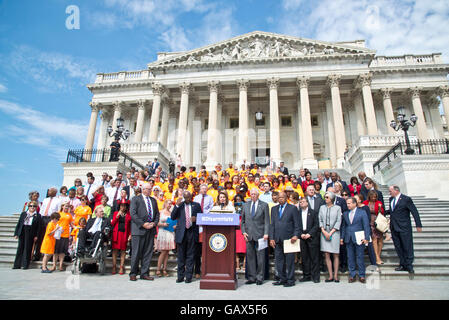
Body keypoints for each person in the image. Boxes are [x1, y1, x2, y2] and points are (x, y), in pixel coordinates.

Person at [387, 185, 422, 274]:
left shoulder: (406, 199)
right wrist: (382, 211)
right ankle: (402, 264)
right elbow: (392, 211)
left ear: (396, 190)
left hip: (404, 227)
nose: (389, 193)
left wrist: (418, 225)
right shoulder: (391, 200)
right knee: (398, 247)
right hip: (394, 227)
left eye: (390, 191)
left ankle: (409, 265)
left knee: (407, 246)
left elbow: (414, 211)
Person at [129, 183, 160, 281]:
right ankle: (133, 273)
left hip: (150, 230)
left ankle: (144, 273)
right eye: (148, 189)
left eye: (151, 189)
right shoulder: (136, 199)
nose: (150, 191)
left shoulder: (153, 200)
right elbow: (133, 214)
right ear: (143, 189)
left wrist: (154, 223)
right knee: (136, 252)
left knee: (148, 252)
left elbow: (157, 214)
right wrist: (143, 224)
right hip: (138, 230)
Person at [269, 192, 300, 287]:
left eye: (282, 197)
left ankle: (290, 280)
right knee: (279, 261)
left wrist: (295, 235)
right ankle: (282, 279)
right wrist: (271, 238)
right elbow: (272, 225)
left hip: (289, 239)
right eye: (279, 197)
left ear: (286, 198)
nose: (280, 199)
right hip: (277, 239)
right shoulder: (274, 209)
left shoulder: (292, 208)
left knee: (289, 261)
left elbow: (297, 224)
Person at [241, 188, 270, 285]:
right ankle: (252, 277)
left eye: (255, 194)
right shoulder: (245, 205)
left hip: (261, 235)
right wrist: (243, 232)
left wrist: (266, 233)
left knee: (260, 257)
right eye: (251, 194)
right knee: (250, 257)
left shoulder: (264, 205)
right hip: (249, 235)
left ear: (258, 195)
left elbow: (266, 221)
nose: (253, 195)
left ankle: (260, 277)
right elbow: (243, 221)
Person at [171, 191, 201, 283]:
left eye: (188, 197)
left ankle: (188, 277)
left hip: (192, 232)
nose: (187, 199)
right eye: (185, 197)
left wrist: (197, 219)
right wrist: (176, 205)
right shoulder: (180, 205)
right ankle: (180, 276)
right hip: (182, 233)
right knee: (181, 256)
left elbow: (202, 217)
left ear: (191, 197)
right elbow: (173, 217)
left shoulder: (196, 205)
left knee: (190, 256)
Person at [341, 197, 371, 283]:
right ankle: (352, 274)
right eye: (347, 203)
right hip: (348, 237)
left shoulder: (362, 212)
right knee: (350, 257)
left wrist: (367, 238)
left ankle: (362, 275)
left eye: (349, 203)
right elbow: (343, 226)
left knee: (360, 256)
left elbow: (366, 225)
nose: (348, 205)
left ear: (355, 203)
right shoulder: (345, 213)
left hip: (359, 238)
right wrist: (342, 237)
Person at [319, 191, 342, 282]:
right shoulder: (322, 208)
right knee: (327, 254)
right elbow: (320, 219)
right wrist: (323, 231)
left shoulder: (337, 208)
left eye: (327, 197)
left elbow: (338, 220)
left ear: (332, 198)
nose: (326, 199)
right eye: (325, 197)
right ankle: (330, 275)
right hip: (324, 232)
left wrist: (331, 232)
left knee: (335, 254)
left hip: (334, 232)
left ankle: (336, 275)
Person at [193, 184, 214, 278]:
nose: (204, 190)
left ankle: (207, 269)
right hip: (197, 224)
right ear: (200, 189)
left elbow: (211, 208)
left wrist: (205, 217)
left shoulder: (210, 198)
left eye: (205, 189)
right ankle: (197, 271)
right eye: (202, 189)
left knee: (206, 248)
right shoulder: (196, 198)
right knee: (197, 250)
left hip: (206, 221)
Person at [13, 201, 41, 270]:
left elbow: (38, 227)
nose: (32, 207)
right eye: (31, 206)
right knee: (20, 248)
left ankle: (25, 264)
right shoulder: (24, 214)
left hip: (31, 232)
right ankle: (17, 264)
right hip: (23, 230)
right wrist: (16, 233)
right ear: (28, 207)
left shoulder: (38, 215)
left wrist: (36, 236)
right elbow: (19, 224)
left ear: (36, 207)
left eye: (34, 206)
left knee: (27, 248)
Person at [298, 197, 320, 283]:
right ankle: (306, 275)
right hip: (302, 236)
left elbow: (316, 225)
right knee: (304, 257)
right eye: (300, 202)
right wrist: (300, 234)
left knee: (314, 257)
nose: (302, 203)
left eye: (303, 202)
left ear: (307, 203)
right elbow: (296, 224)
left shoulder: (313, 212)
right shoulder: (297, 213)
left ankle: (315, 276)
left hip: (311, 236)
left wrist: (309, 234)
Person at [354, 194, 377, 266]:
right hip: (356, 230)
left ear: (360, 200)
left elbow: (368, 219)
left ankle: (374, 263)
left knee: (369, 247)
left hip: (364, 230)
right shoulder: (353, 208)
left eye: (356, 198)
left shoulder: (365, 208)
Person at [364, 190, 386, 265]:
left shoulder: (379, 203)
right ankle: (376, 257)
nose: (373, 198)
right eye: (372, 197)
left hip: (378, 222)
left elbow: (382, 212)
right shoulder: (366, 203)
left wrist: (380, 208)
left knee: (380, 239)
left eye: (375, 197)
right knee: (374, 239)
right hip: (370, 222)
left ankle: (378, 255)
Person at [156, 200, 176, 277]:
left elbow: (174, 222)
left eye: (171, 204)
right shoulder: (160, 212)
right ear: (165, 204)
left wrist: (175, 226)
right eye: (169, 203)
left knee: (167, 252)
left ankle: (164, 268)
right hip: (163, 232)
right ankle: (158, 269)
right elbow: (156, 223)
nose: (170, 205)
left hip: (170, 232)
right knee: (163, 251)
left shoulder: (171, 213)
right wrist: (163, 224)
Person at [111, 200, 131, 275]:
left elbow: (130, 226)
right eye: (122, 205)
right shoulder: (116, 213)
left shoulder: (128, 215)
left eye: (124, 206)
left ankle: (121, 267)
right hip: (116, 233)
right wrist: (117, 216)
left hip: (124, 234)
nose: (123, 207)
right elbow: (112, 223)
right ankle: (114, 266)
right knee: (115, 250)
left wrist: (130, 234)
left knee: (123, 251)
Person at [54, 202, 74, 271]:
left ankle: (60, 265)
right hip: (58, 234)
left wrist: (77, 227)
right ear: (62, 206)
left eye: (68, 206)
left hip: (65, 234)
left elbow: (72, 224)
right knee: (56, 251)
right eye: (65, 206)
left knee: (62, 251)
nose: (66, 207)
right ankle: (54, 265)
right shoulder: (58, 213)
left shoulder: (69, 215)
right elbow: (54, 222)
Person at [234, 194, 246, 270]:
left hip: (243, 226)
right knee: (236, 245)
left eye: (239, 199)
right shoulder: (233, 207)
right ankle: (237, 263)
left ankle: (245, 263)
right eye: (236, 199)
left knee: (244, 246)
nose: (238, 201)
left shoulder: (245, 206)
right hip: (236, 226)